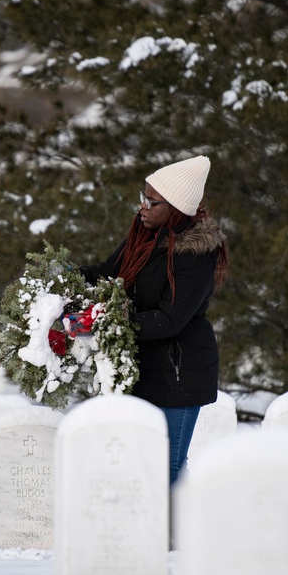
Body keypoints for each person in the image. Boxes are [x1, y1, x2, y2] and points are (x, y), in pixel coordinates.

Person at [78, 155, 228, 486]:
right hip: (145, 371)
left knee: (168, 470)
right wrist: (62, 278)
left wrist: (106, 324)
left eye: (152, 201)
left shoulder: (196, 253)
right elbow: (106, 274)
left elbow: (170, 319)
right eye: (142, 197)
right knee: (141, 467)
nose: (142, 206)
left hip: (180, 375)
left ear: (175, 207)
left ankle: (176, 537)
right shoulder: (145, 235)